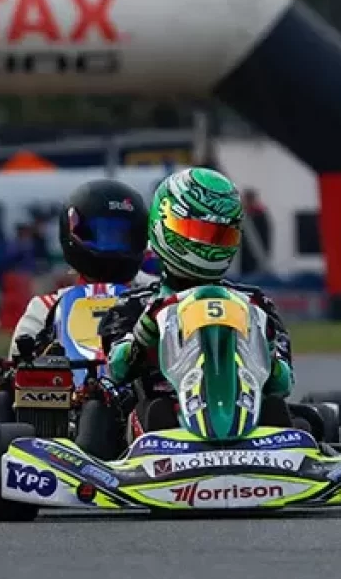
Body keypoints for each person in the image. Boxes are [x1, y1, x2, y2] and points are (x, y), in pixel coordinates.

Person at [100, 167, 294, 433]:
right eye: (194, 230)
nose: (207, 244)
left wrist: (266, 347)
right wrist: (146, 332)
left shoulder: (255, 304)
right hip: (163, 421)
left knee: (289, 415)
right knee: (103, 414)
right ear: (163, 224)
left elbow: (282, 384)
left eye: (218, 236)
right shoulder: (133, 306)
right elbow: (118, 371)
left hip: (246, 415)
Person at [7, 178, 149, 358]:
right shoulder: (46, 309)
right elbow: (17, 375)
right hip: (71, 384)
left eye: (121, 236)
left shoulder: (154, 303)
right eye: (103, 234)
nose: (112, 247)